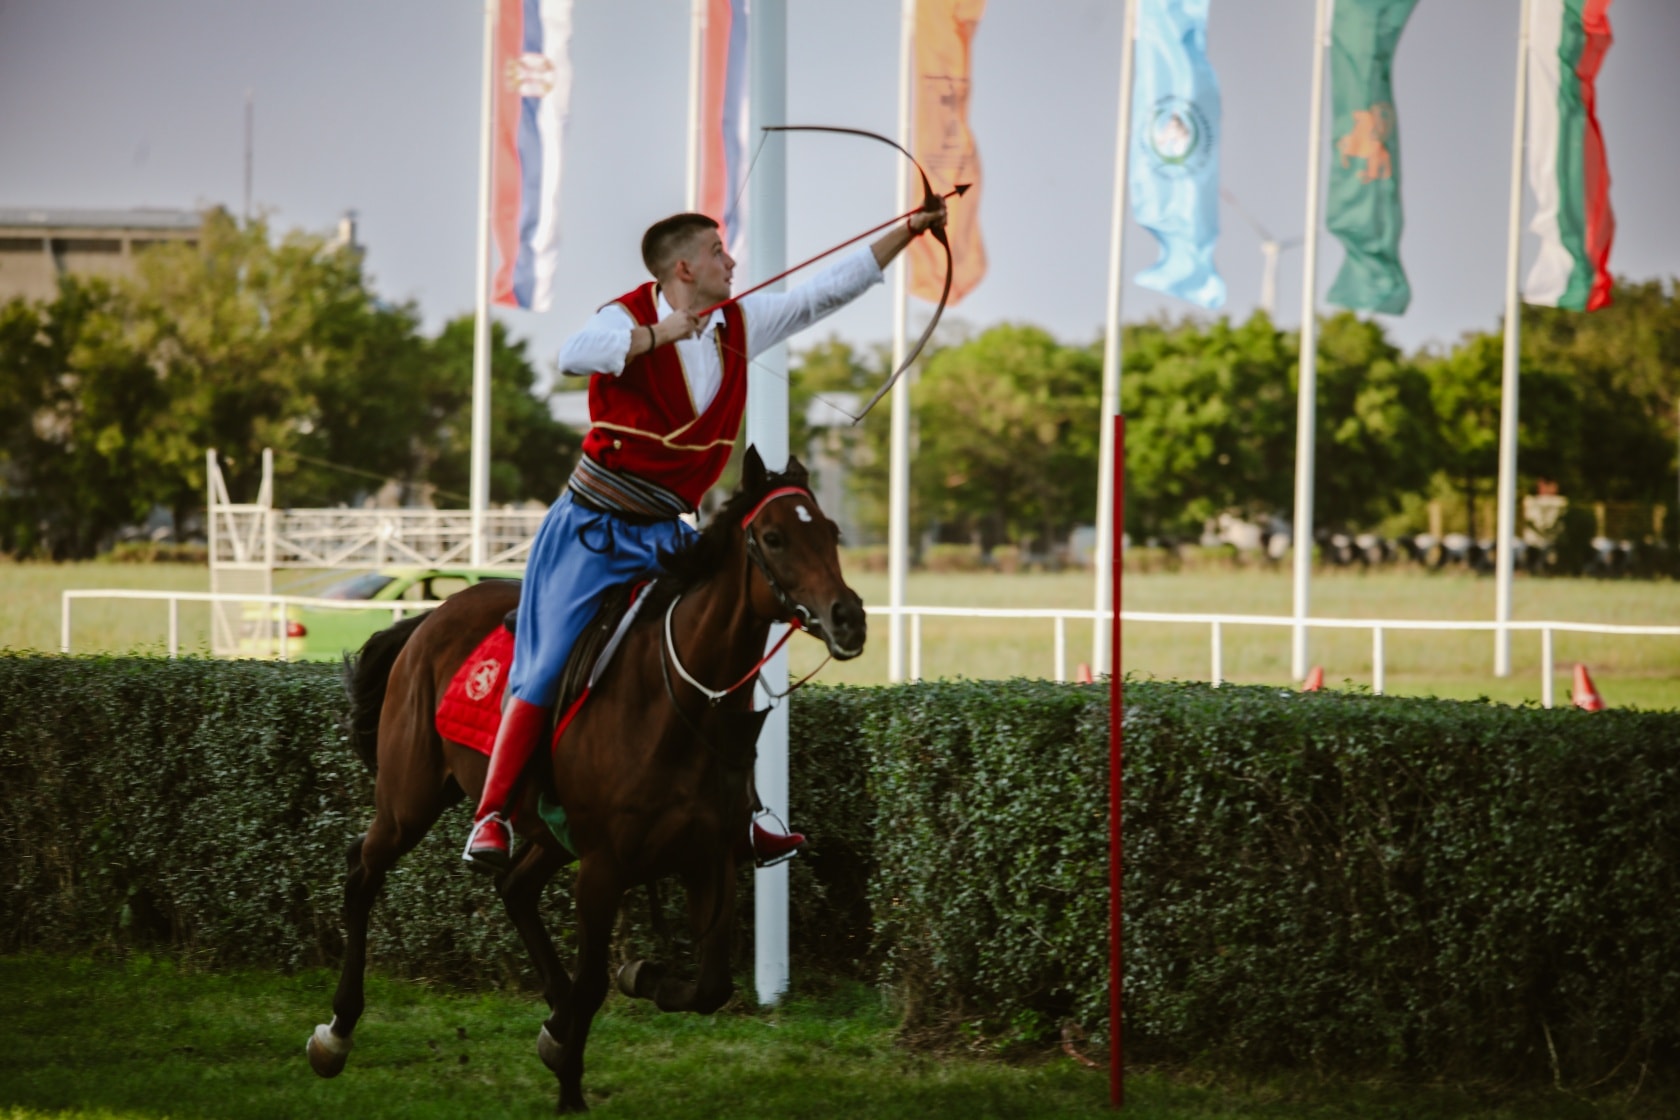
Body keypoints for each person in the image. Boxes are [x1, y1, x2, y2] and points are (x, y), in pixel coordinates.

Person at [463, 198, 949, 872]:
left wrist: (908, 232)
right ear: (685, 268)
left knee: (717, 647)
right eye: (719, 252)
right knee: (545, 664)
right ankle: (491, 816)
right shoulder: (624, 316)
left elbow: (820, 295)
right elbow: (574, 355)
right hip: (592, 528)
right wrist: (660, 336)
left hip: (666, 530)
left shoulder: (740, 322)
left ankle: (741, 817)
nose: (732, 261)